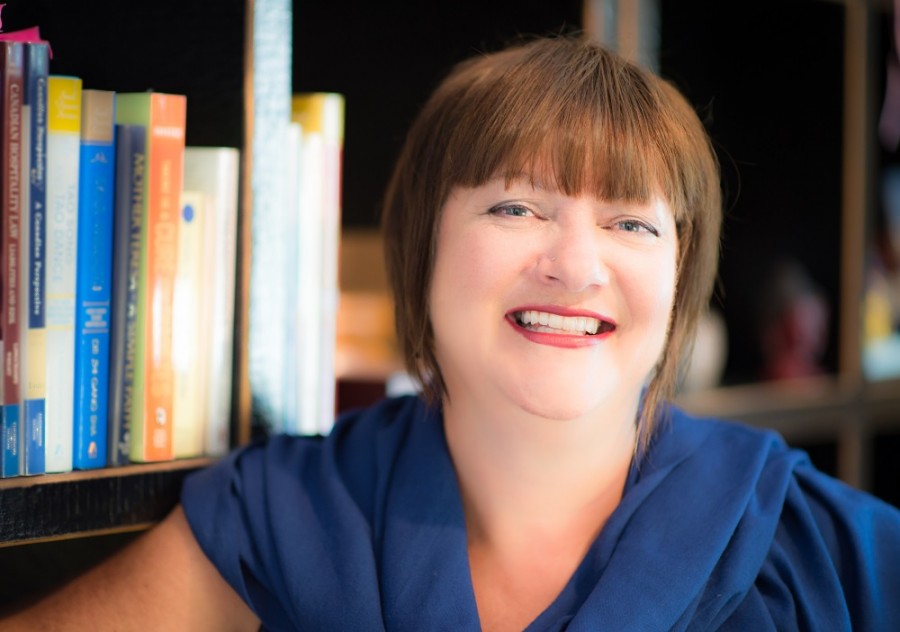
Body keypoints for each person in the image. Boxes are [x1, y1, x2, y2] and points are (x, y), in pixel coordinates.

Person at [4, 35, 900, 632]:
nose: (575, 265)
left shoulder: (824, 548)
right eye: (516, 207)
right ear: (421, 246)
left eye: (631, 223)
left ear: (680, 276)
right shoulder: (282, 515)